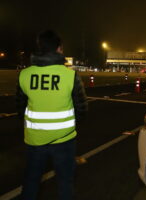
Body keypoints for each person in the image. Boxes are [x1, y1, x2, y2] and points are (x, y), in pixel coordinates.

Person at [16, 30, 88, 200]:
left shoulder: (24, 75)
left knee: (31, 182)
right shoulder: (70, 76)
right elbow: (82, 108)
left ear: (40, 47)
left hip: (35, 140)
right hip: (64, 140)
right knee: (65, 184)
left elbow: (20, 107)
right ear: (59, 49)